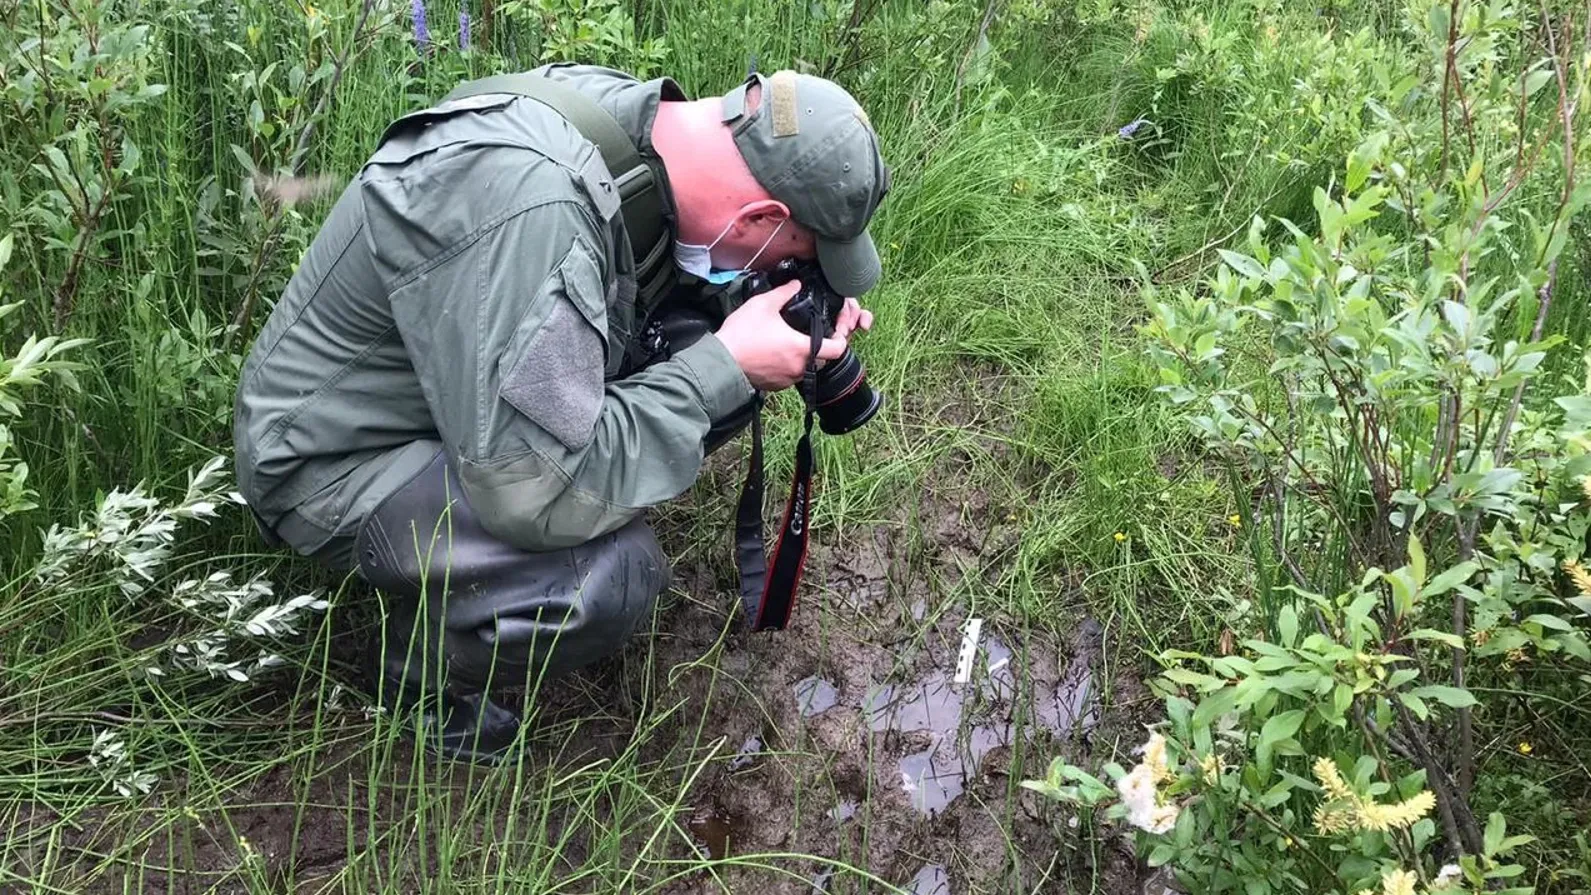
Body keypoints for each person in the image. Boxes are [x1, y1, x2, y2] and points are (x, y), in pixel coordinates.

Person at [230, 62, 890, 763]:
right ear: (759, 218)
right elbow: (534, 492)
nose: (793, 270)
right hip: (330, 455)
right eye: (798, 254)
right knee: (605, 579)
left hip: (448, 398)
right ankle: (410, 674)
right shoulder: (535, 203)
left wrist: (764, 325)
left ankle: (474, 564)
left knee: (711, 355)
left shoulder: (647, 133)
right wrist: (724, 368)